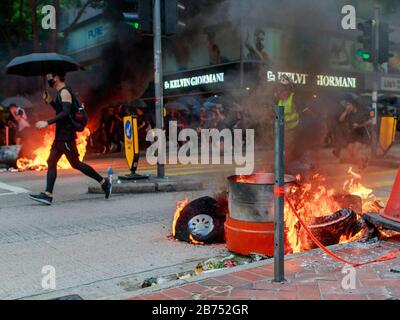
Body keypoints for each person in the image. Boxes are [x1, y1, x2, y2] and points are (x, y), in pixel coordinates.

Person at [29, 67, 112, 205]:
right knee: (51, 162)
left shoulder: (65, 92)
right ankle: (47, 194)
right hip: (60, 136)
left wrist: (47, 122)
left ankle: (104, 182)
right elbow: (60, 110)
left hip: (66, 136)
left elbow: (65, 113)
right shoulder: (61, 93)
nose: (49, 79)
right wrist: (50, 101)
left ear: (56, 78)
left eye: (50, 76)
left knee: (76, 164)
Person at [336, 96, 371, 168]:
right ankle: (364, 159)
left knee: (355, 151)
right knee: (350, 152)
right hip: (353, 134)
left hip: (361, 133)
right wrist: (346, 111)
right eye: (346, 105)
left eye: (348, 104)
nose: (347, 106)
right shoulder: (349, 113)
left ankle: (361, 167)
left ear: (353, 104)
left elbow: (370, 121)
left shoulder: (361, 112)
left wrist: (359, 125)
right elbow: (340, 120)